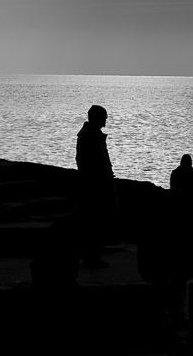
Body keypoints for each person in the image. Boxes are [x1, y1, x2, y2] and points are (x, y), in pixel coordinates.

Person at [137, 188, 193, 346]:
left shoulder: (153, 220)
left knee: (162, 301)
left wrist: (143, 267)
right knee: (178, 302)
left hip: (161, 266)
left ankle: (165, 335)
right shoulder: (184, 220)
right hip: (176, 266)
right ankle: (180, 337)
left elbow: (144, 244)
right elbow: (191, 244)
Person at [76, 105, 118, 267]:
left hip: (90, 183)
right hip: (95, 186)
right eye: (104, 116)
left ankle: (92, 255)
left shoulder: (87, 134)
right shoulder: (92, 135)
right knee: (95, 221)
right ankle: (92, 257)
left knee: (93, 221)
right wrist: (106, 177)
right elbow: (100, 162)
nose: (106, 119)